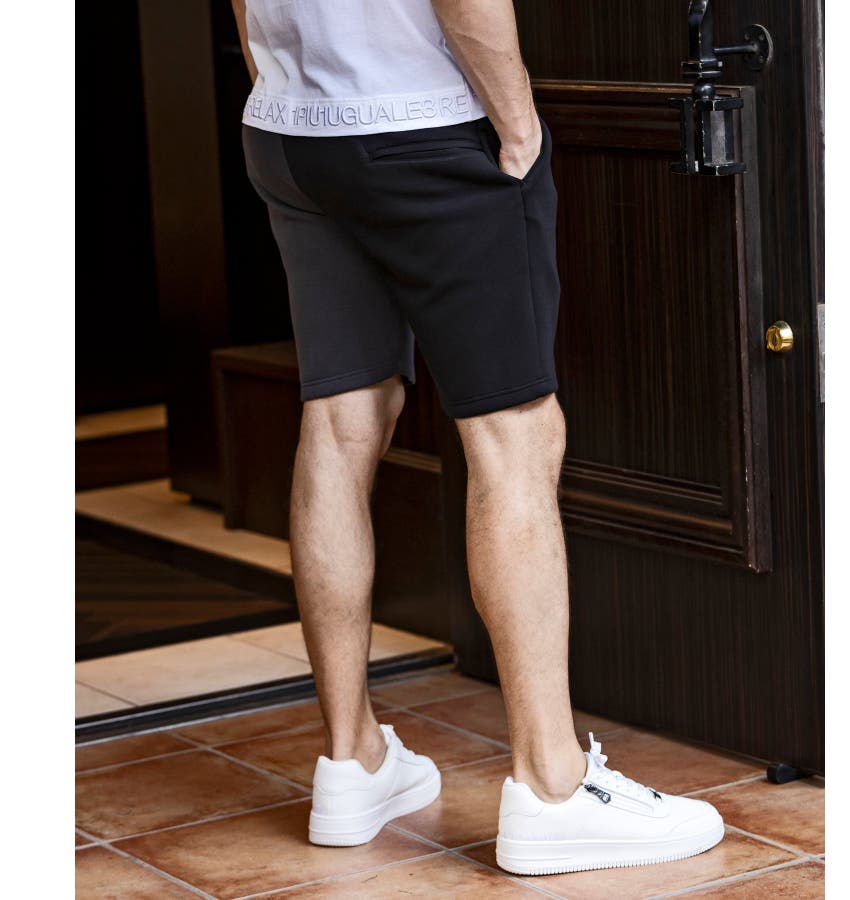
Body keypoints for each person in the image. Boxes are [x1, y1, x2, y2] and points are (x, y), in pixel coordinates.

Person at [231, 0, 724, 876]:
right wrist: (518, 117)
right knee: (515, 435)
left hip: (290, 130)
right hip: (425, 126)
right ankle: (552, 787)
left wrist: (292, 87)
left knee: (340, 421)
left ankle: (351, 761)